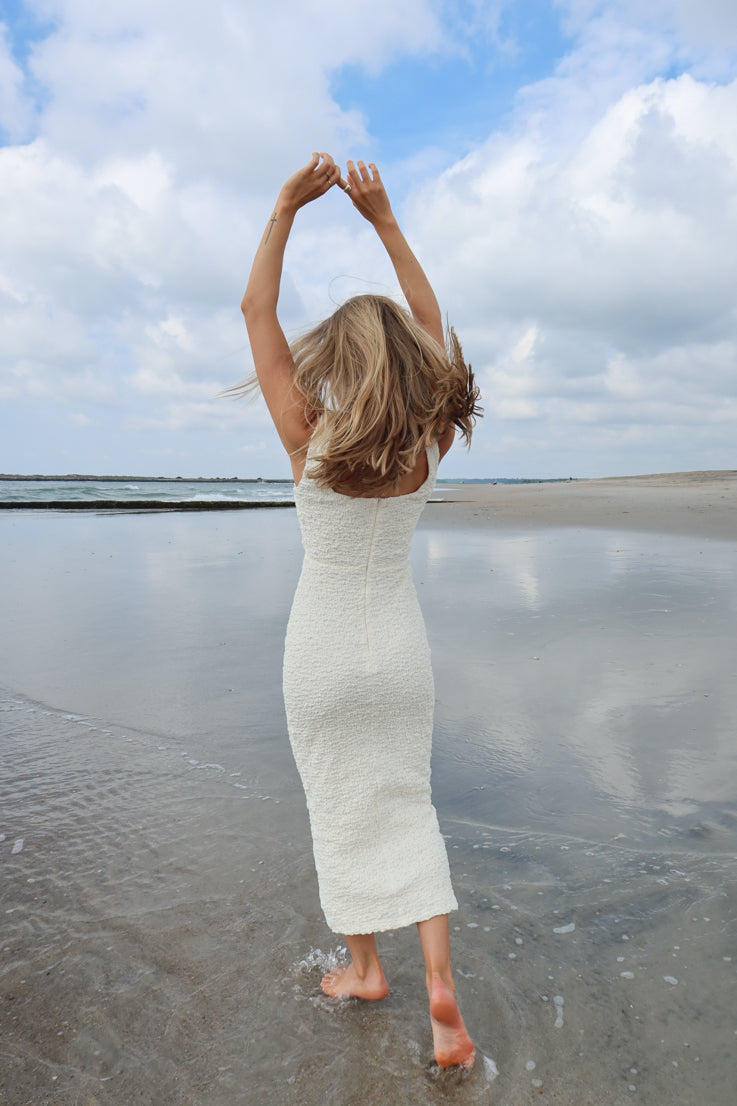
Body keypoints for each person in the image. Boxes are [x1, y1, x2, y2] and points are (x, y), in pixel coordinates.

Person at [237, 152, 481, 1070]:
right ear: (410, 364)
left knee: (340, 802)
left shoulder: (307, 436)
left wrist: (285, 206)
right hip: (401, 652)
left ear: (338, 359)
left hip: (322, 655)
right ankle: (441, 991)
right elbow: (435, 332)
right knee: (406, 802)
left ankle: (362, 967)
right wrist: (382, 220)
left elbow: (257, 313)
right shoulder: (425, 445)